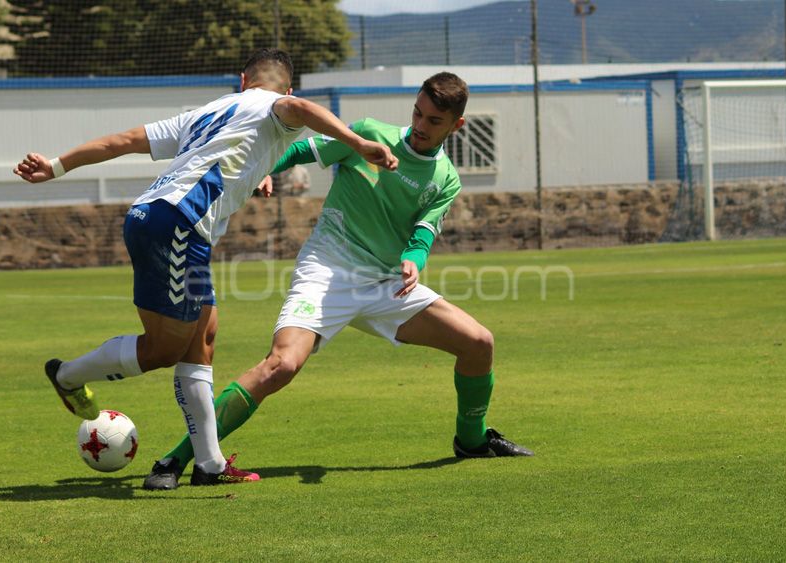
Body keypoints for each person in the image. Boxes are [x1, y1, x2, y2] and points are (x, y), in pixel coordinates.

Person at [12, 49, 398, 487]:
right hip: (179, 227)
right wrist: (359, 142)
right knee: (165, 350)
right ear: (286, 89)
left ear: (242, 80)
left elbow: (122, 141)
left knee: (203, 335)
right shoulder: (277, 107)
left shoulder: (207, 112)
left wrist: (57, 165)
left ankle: (210, 466)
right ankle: (67, 375)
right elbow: (301, 110)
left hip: (154, 218)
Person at [144, 72, 532, 491]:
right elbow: (300, 150)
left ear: (456, 125)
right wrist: (263, 169)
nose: (420, 125)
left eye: (434, 121)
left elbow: (423, 233)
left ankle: (471, 441)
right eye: (418, 113)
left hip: (385, 283)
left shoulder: (445, 178)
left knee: (479, 343)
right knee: (281, 366)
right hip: (326, 270)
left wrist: (412, 260)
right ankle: (178, 457)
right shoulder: (369, 134)